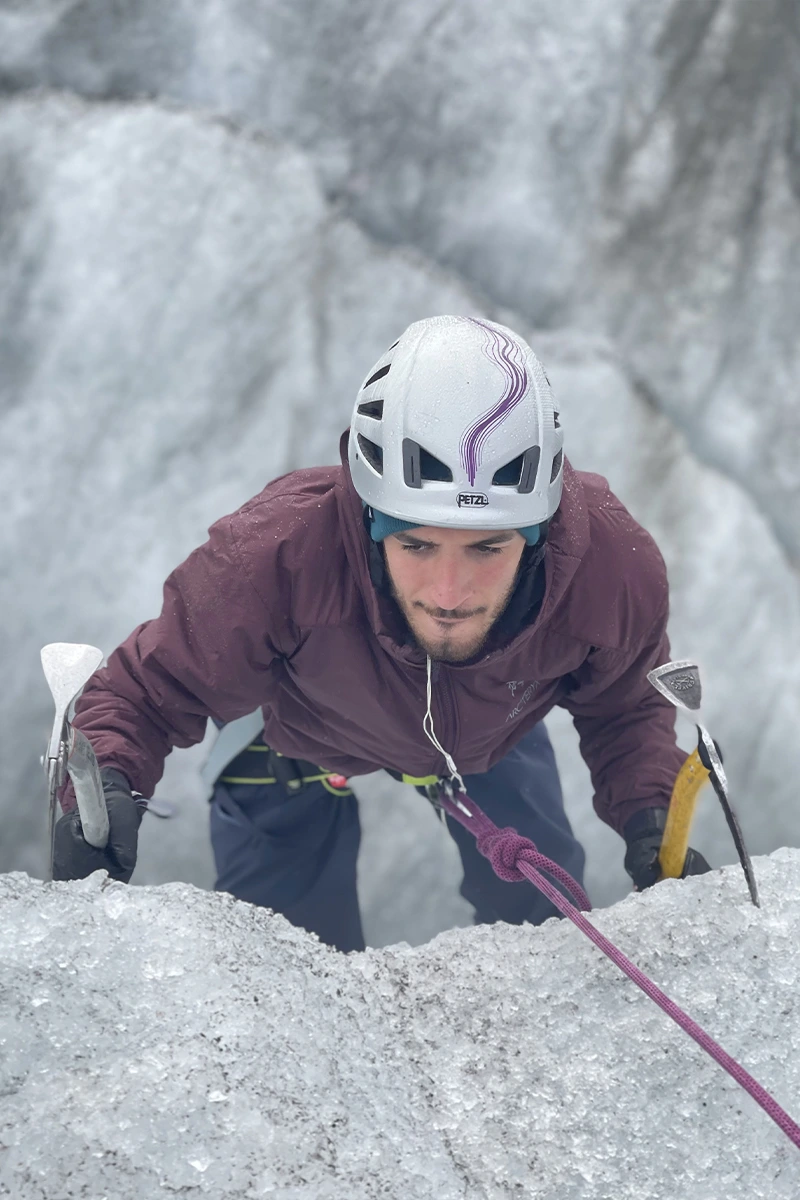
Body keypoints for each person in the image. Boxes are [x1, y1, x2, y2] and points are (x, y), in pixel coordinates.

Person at [53, 315, 709, 950]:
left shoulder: (607, 570)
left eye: (487, 550)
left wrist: (650, 814)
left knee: (547, 931)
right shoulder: (275, 559)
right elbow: (145, 691)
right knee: (287, 967)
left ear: (538, 541)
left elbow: (624, 709)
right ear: (369, 522)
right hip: (293, 729)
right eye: (417, 546)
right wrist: (106, 781)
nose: (449, 594)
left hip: (488, 727)